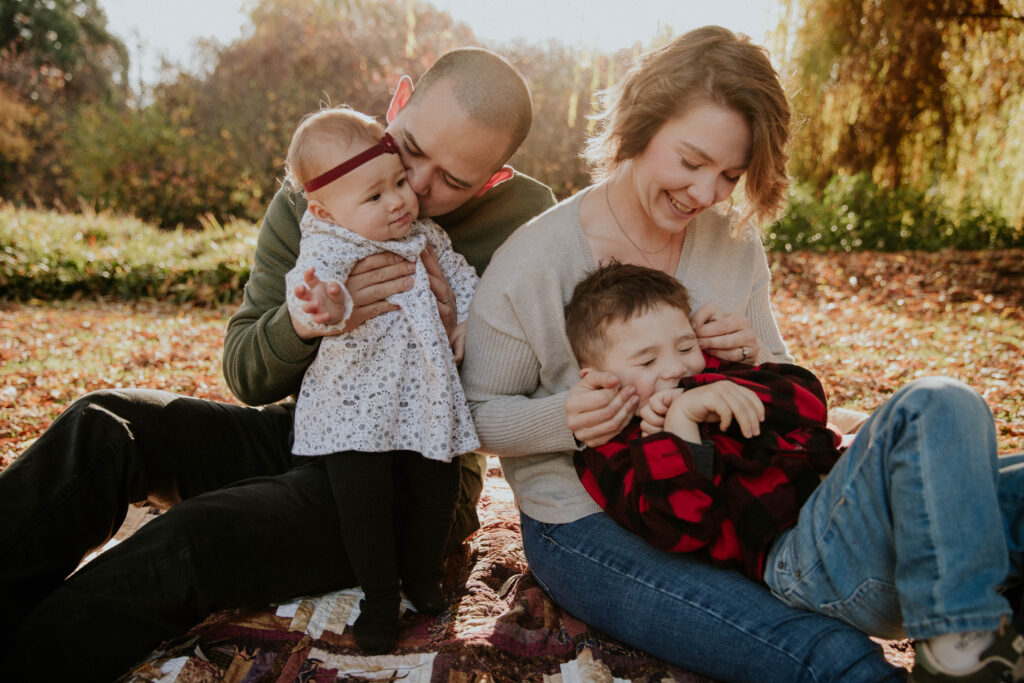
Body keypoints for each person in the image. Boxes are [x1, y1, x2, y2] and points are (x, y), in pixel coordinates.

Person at [0, 47, 554, 680]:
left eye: (453, 180)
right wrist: (303, 323)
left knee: (192, 539)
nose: (418, 186)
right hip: (312, 428)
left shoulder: (532, 226)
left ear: (493, 180)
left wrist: (463, 335)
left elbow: (543, 386)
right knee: (105, 425)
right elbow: (245, 372)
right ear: (397, 105)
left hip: (418, 468)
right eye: (409, 148)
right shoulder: (323, 185)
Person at [461, 26, 909, 681]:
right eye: (692, 161)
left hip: (742, 504)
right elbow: (473, 415)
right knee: (823, 653)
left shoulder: (732, 240)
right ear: (641, 125)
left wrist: (753, 355)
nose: (706, 193)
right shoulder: (533, 261)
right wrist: (566, 418)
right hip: (588, 518)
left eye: (729, 175)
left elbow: (788, 387)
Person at [567, 262, 1024, 682]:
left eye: (686, 347)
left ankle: (1002, 630)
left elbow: (809, 403)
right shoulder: (614, 447)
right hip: (808, 560)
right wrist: (682, 423)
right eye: (647, 361)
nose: (674, 368)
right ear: (598, 378)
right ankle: (957, 648)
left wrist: (719, 382)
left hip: (894, 530)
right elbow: (681, 528)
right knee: (932, 402)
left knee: (991, 449)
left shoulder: (721, 377)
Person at [282, 106, 482, 652]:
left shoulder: (426, 236)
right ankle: (379, 595)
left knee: (436, 490)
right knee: (363, 506)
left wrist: (468, 318)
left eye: (398, 182)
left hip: (424, 397)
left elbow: (464, 280)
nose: (397, 200)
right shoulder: (330, 243)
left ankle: (423, 573)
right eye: (374, 196)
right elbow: (311, 289)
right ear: (325, 210)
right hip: (353, 407)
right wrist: (323, 305)